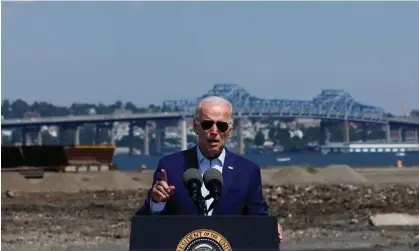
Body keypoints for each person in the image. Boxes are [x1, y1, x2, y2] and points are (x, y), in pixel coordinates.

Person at [136, 96, 283, 241]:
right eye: (207, 124)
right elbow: (145, 223)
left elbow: (257, 215)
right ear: (195, 126)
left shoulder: (248, 171)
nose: (214, 131)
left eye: (221, 126)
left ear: (230, 130)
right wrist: (157, 203)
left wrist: (268, 227)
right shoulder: (169, 167)